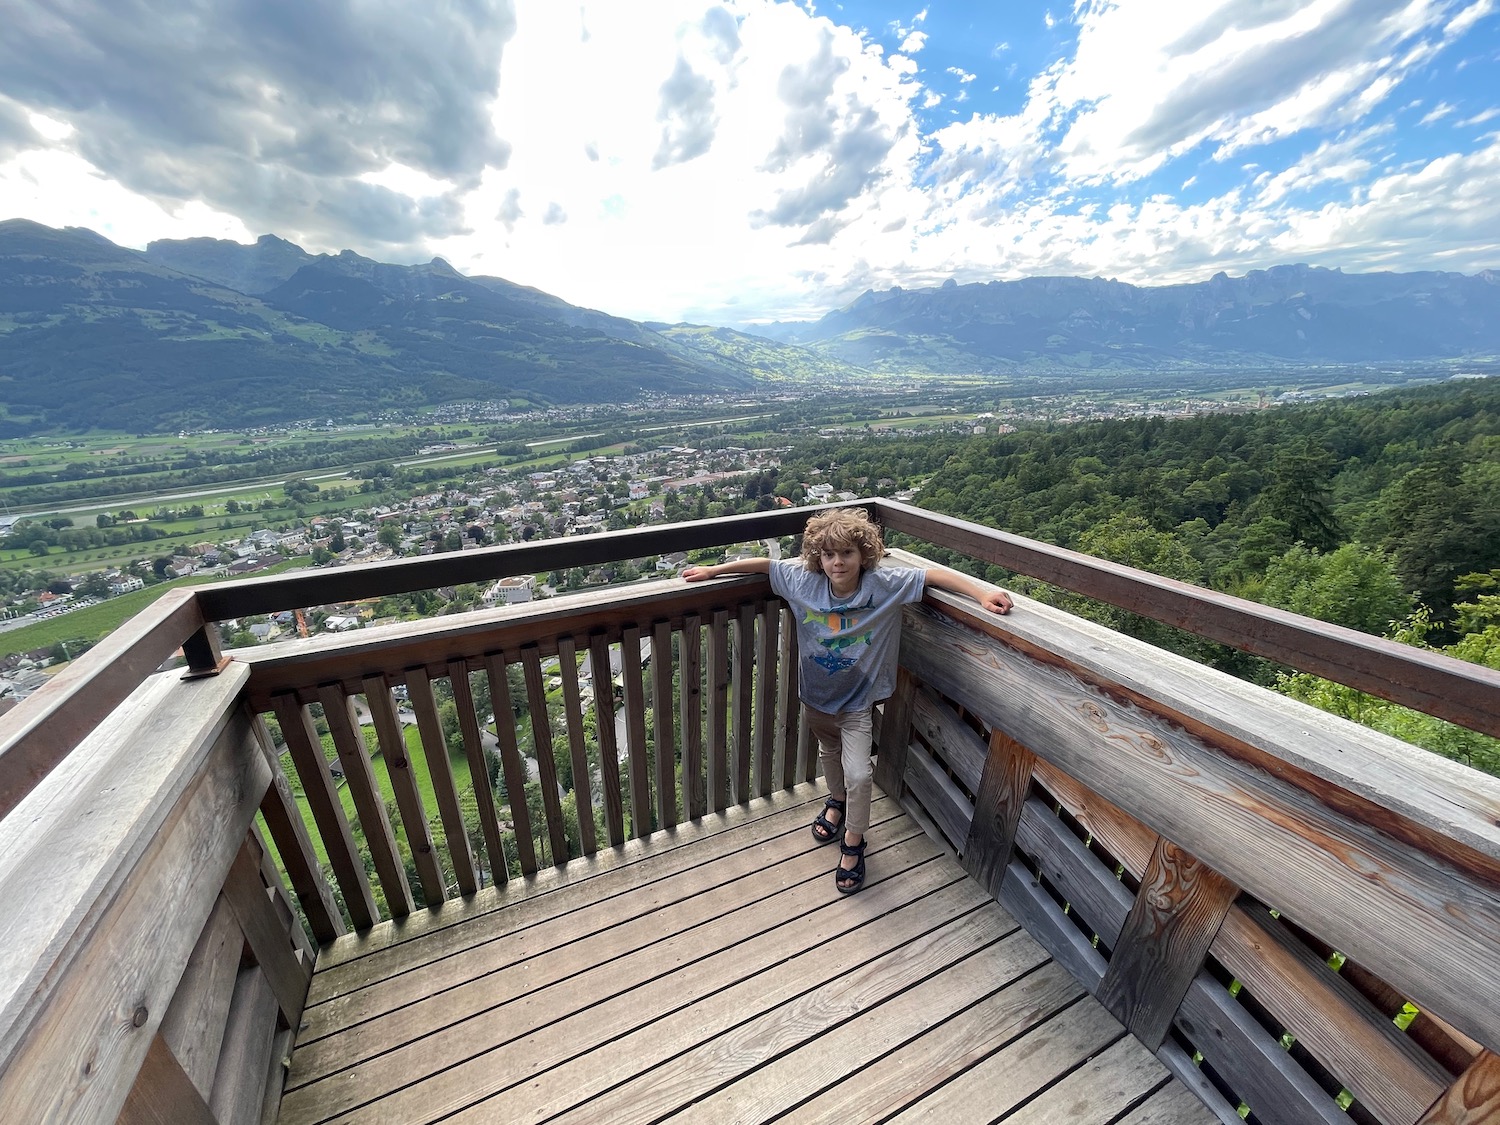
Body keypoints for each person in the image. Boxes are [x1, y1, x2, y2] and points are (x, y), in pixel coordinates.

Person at [683, 508, 1012, 893]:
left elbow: (932, 576)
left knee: (859, 773)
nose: (837, 562)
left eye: (847, 554)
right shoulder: (802, 581)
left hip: (858, 703)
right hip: (815, 698)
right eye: (828, 555)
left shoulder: (883, 584)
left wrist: (983, 591)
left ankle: (853, 843)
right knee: (828, 749)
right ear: (817, 558)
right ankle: (836, 801)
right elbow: (766, 566)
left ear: (864, 555)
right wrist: (712, 572)